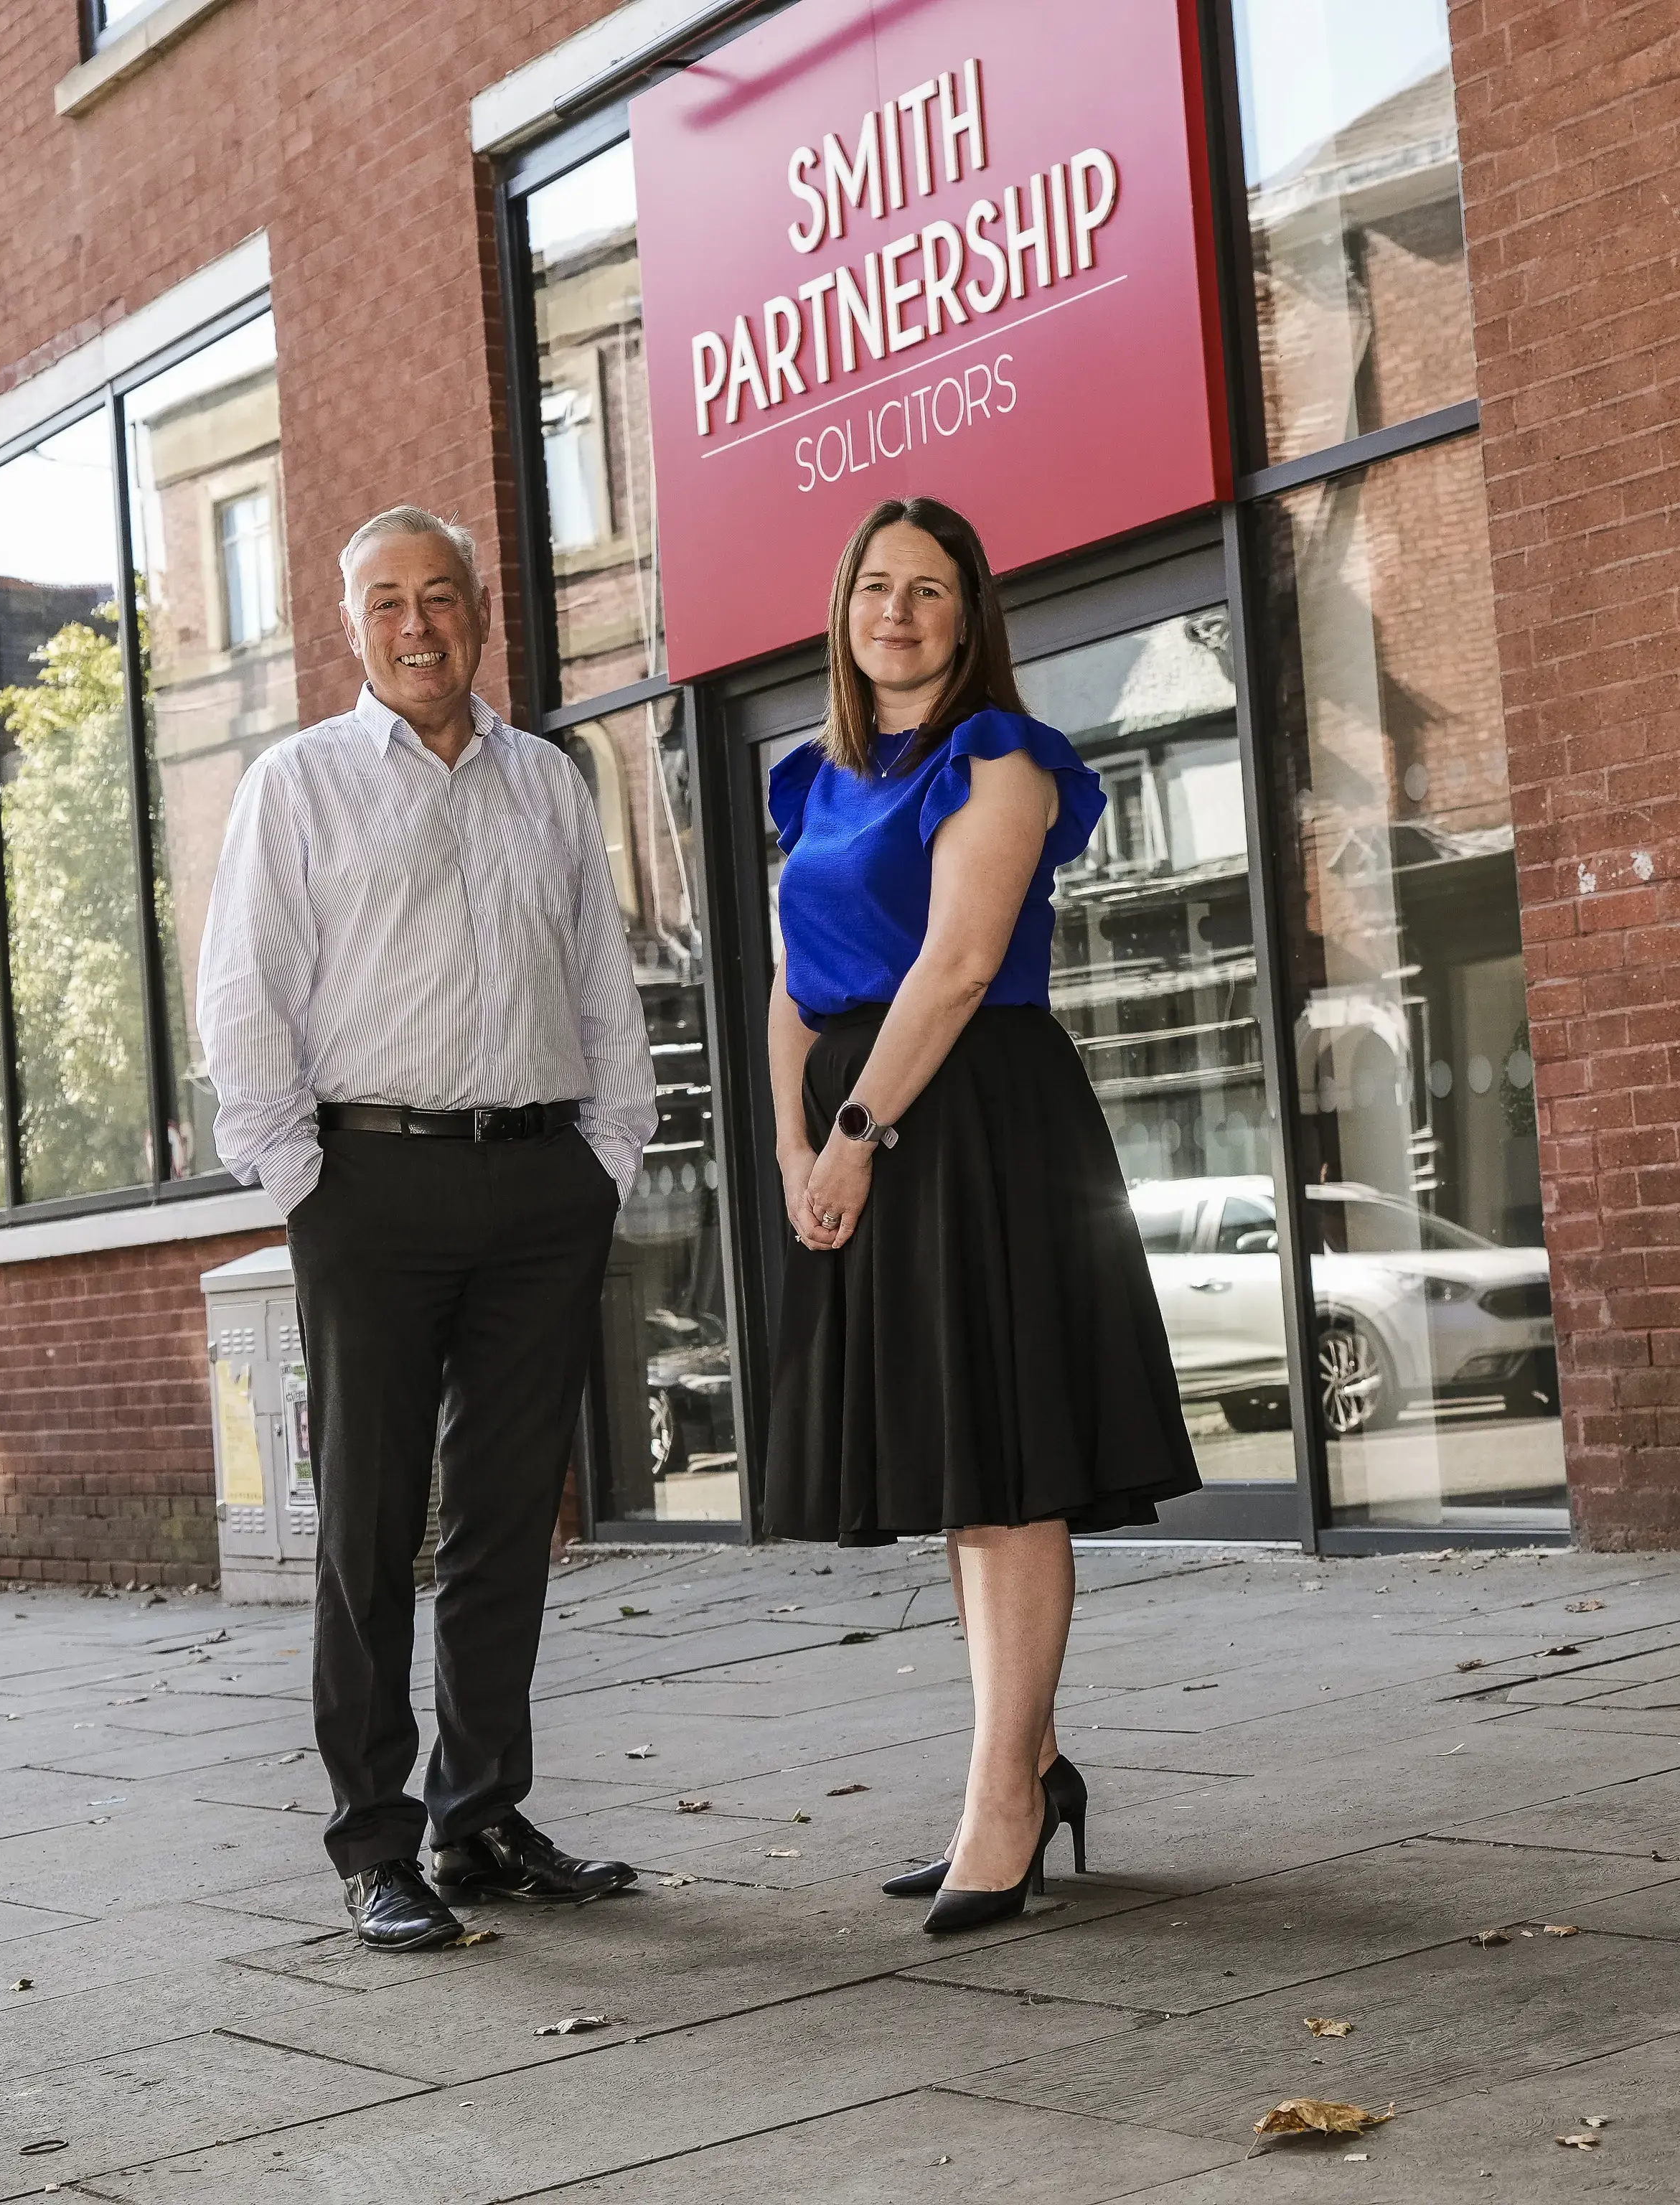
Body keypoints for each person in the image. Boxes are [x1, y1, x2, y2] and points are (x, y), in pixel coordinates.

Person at [196, 505, 658, 1951]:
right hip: (370, 1188)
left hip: (538, 1187)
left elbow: (602, 981)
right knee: (371, 1524)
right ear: (352, 627)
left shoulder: (549, 784)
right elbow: (244, 996)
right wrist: (298, 1181)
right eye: (387, 599)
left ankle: (480, 1817)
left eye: (441, 596)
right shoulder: (299, 784)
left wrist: (611, 1159)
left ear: (481, 616)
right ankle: (372, 1840)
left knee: (509, 1523)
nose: (417, 624)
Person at [763, 496, 1201, 1934]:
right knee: (960, 1476)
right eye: (875, 587)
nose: (898, 612)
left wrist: (856, 1134)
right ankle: (1032, 1757)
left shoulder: (997, 758)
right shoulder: (814, 780)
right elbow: (791, 989)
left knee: (1007, 1478)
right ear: (841, 610)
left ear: (970, 617)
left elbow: (952, 967)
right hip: (864, 1127)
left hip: (967, 1121)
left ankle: (1003, 1804)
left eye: (931, 591)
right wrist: (792, 1149)